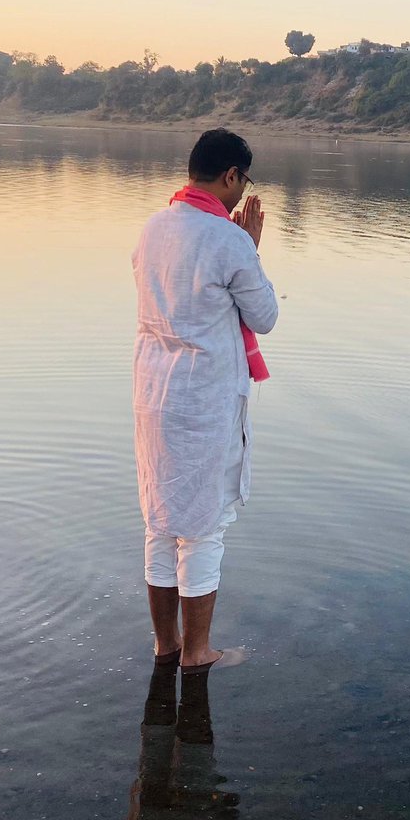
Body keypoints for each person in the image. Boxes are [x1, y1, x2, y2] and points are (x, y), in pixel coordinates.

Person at [132, 128, 278, 673]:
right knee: (204, 527)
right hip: (205, 399)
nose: (242, 194)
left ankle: (165, 645)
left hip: (153, 393)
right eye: (244, 181)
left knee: (161, 522)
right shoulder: (228, 239)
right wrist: (251, 249)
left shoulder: (154, 227)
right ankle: (198, 652)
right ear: (231, 176)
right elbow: (264, 316)